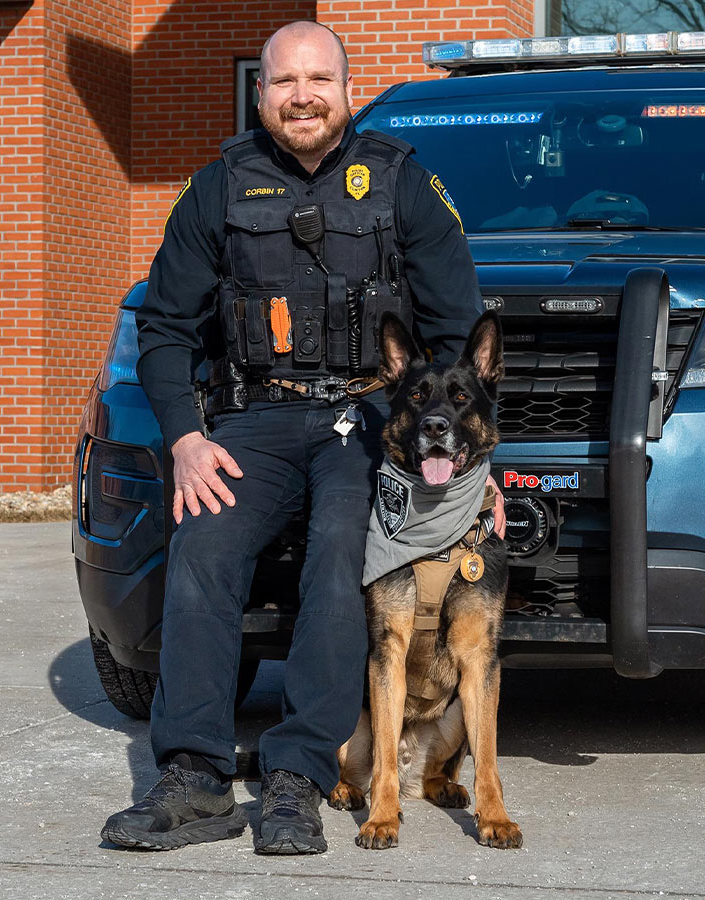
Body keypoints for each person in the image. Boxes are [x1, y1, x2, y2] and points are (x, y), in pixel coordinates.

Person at [101, 20, 503, 855]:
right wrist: (184, 438)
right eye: (284, 82)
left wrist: (472, 474)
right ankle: (195, 776)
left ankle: (296, 775)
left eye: (319, 80)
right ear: (261, 93)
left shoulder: (403, 184)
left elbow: (461, 336)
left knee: (340, 556)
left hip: (365, 423)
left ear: (347, 90)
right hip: (255, 419)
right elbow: (166, 326)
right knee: (204, 546)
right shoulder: (217, 186)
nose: (303, 96)